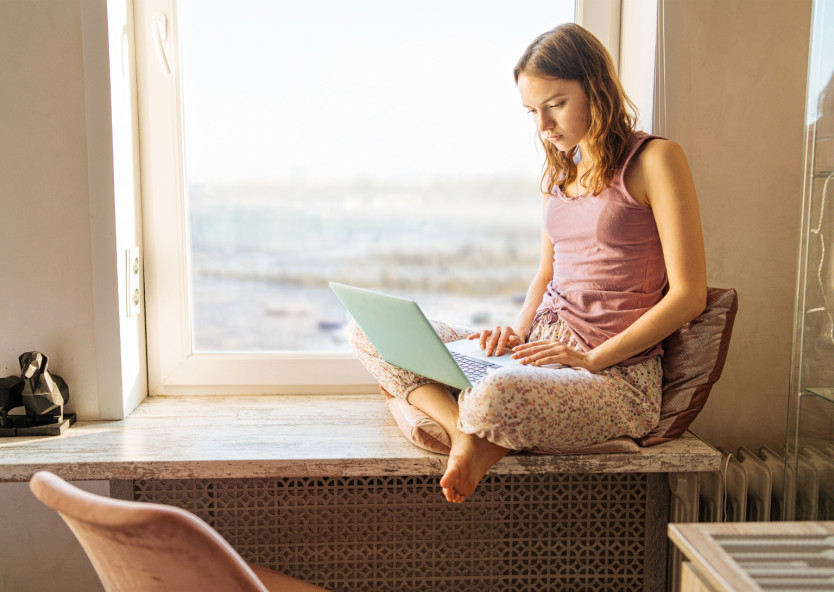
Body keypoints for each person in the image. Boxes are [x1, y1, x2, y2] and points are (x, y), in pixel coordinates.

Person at [348, 23, 706, 504]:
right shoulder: (558, 178)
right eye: (532, 111)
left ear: (596, 88)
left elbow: (689, 295)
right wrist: (516, 332)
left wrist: (592, 358)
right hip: (537, 350)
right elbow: (547, 274)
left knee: (494, 394)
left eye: (555, 104)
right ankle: (464, 434)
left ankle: (470, 423)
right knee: (370, 332)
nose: (543, 125)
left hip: (612, 376)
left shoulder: (656, 159)